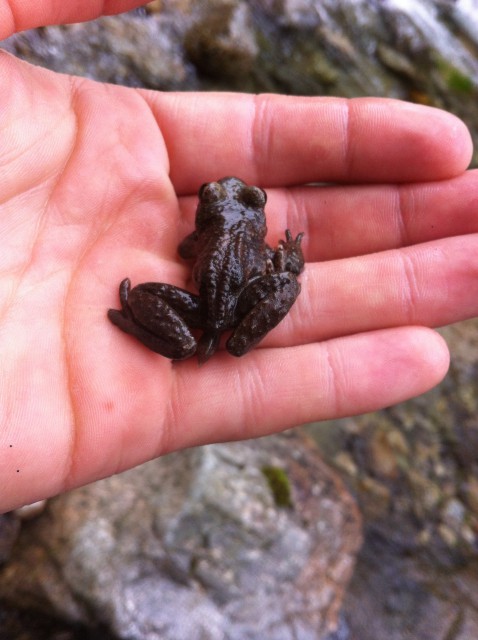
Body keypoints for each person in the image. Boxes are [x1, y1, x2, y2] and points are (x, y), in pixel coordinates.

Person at [1, 1, 477, 515]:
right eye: (220, 194)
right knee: (285, 284)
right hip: (226, 304)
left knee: (141, 298)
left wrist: (181, 285)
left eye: (247, 198)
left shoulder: (201, 233)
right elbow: (253, 266)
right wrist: (286, 261)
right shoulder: (249, 231)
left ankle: (146, 323)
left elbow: (188, 250)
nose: (236, 193)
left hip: (201, 305)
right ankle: (232, 338)